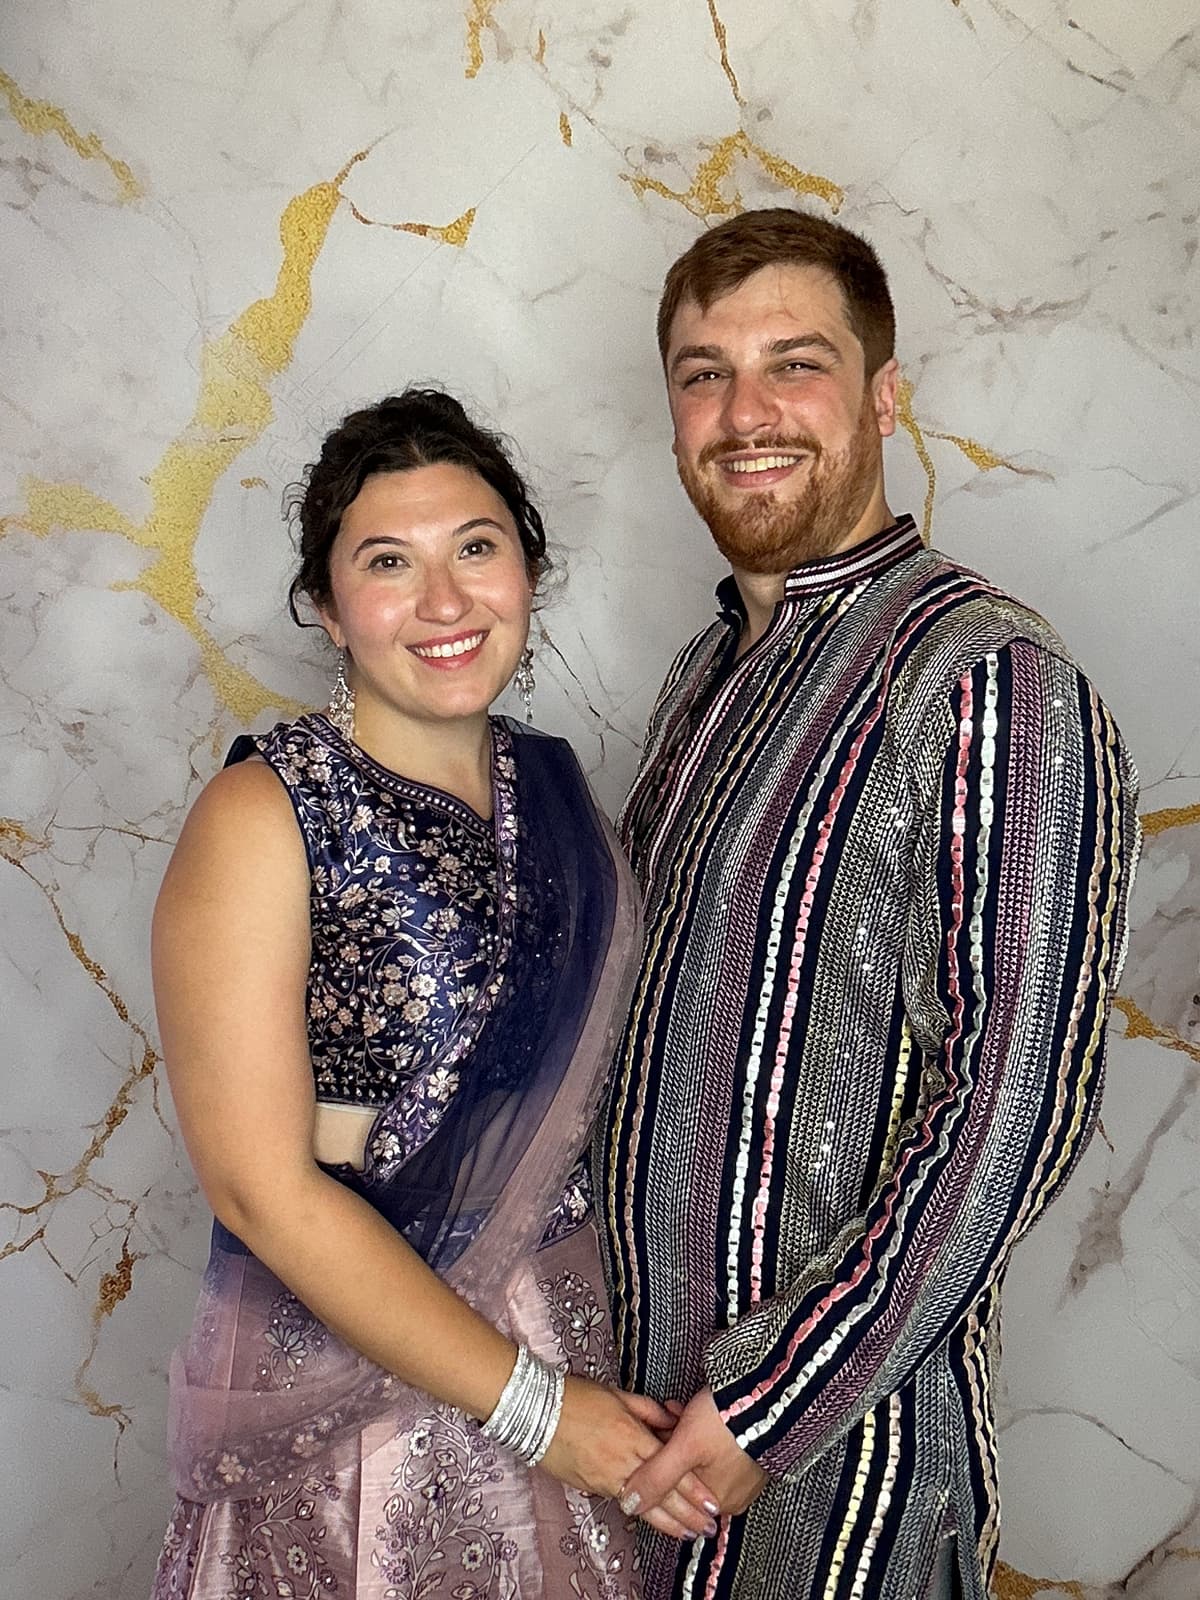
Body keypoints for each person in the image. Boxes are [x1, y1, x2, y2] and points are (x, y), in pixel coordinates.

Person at [594, 210, 1141, 1600]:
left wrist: (766, 1409)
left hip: (836, 1490)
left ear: (884, 395)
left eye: (797, 364)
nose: (746, 412)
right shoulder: (702, 678)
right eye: (704, 372)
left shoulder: (987, 680)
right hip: (626, 1458)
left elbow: (1015, 1108)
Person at [150, 389, 720, 1599]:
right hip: (357, 1417)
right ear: (328, 604)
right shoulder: (264, 817)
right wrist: (541, 1411)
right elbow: (259, 1187)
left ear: (526, 564)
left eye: (475, 548)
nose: (446, 602)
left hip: (592, 1363)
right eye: (389, 563)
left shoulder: (568, 799)